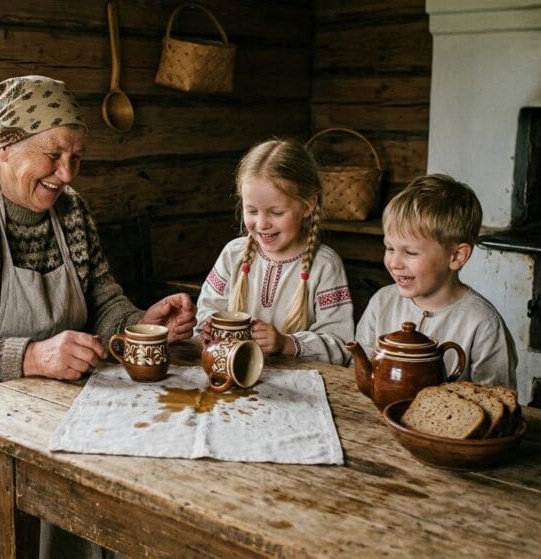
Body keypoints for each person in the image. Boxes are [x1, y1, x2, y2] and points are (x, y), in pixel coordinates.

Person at [0, 75, 196, 559]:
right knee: (23, 497)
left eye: (77, 157)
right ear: (4, 145)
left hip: (36, 396)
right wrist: (31, 356)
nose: (67, 174)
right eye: (54, 155)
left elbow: (104, 300)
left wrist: (139, 323)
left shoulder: (72, 214)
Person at [195, 138, 354, 364]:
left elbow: (341, 345)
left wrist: (287, 343)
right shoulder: (233, 255)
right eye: (251, 211)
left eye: (276, 212)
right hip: (233, 374)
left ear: (307, 206)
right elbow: (206, 312)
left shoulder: (325, 265)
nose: (262, 224)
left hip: (300, 387)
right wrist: (208, 328)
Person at [354, 173, 517, 387]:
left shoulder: (483, 324)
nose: (394, 262)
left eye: (410, 253)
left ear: (456, 256)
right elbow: (360, 372)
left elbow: (498, 403)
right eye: (390, 248)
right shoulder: (381, 302)